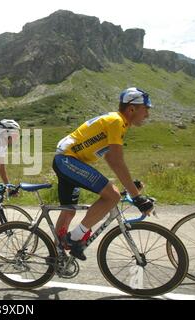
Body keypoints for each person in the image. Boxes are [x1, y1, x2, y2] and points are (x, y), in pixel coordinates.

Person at [53, 87, 155, 261]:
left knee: (68, 211)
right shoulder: (116, 121)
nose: (147, 115)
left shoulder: (117, 121)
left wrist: (129, 185)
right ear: (132, 109)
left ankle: (56, 255)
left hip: (66, 160)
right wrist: (136, 196)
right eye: (146, 109)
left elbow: (109, 157)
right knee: (112, 195)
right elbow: (116, 160)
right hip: (68, 160)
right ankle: (75, 238)